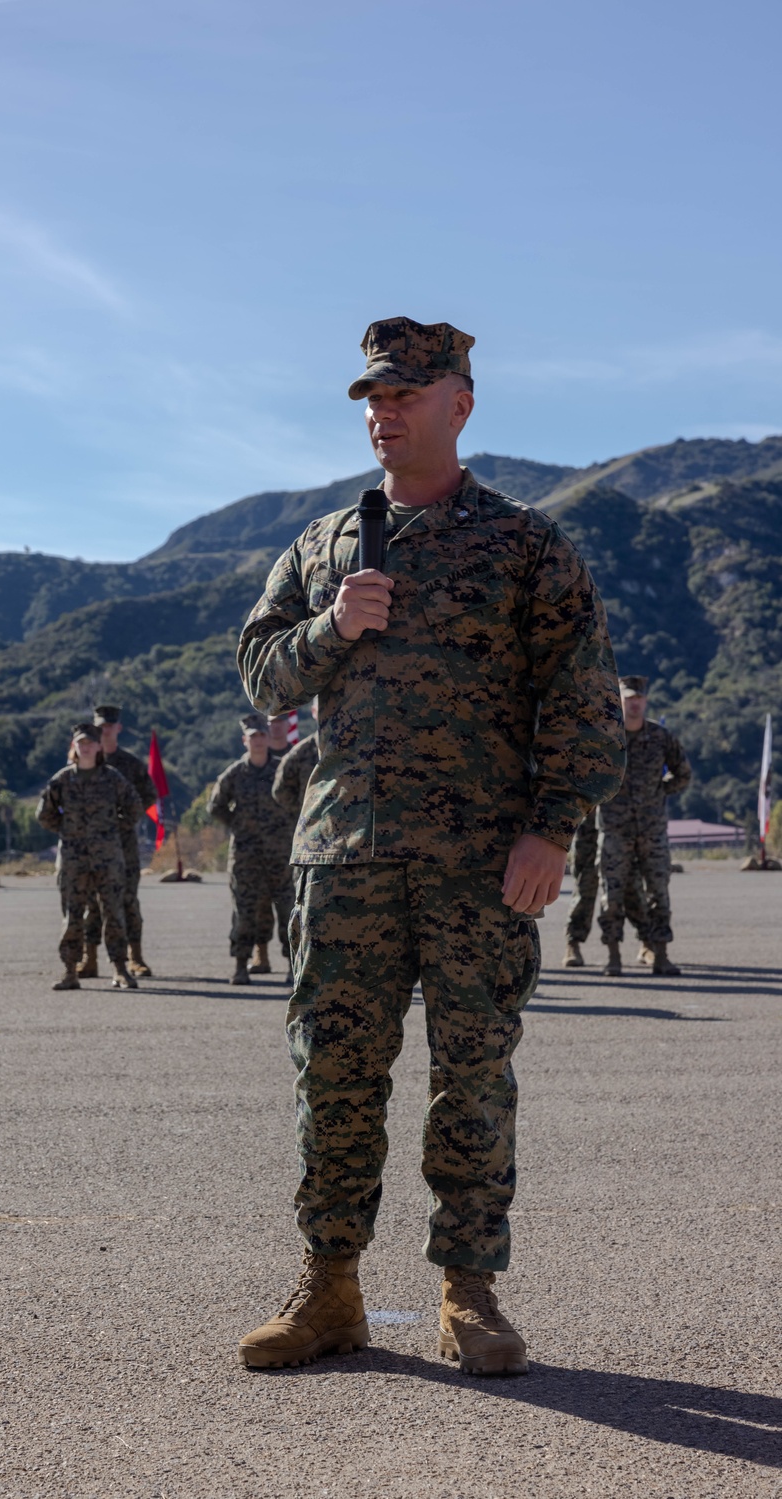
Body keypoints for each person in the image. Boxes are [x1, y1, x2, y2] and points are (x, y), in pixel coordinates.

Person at [236, 315, 625, 1375]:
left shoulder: (524, 541)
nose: (383, 410)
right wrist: (331, 627)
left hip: (477, 862)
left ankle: (469, 1292)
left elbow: (582, 699)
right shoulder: (320, 546)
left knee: (473, 1075)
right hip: (342, 854)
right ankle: (329, 1288)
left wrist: (551, 828)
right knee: (335, 1076)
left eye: (405, 392)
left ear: (460, 402)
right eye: (371, 396)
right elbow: (259, 674)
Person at [36, 722, 143, 992]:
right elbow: (44, 814)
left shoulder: (112, 778)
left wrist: (110, 830)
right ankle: (70, 970)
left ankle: (120, 969)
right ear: (74, 747)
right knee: (73, 915)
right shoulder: (62, 780)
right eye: (80, 743)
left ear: (98, 746)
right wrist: (66, 830)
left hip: (107, 858)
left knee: (113, 913)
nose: (85, 747)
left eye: (89, 743)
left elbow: (133, 809)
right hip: (73, 859)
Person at [597, 676, 691, 977]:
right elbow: (586, 776)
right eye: (628, 698)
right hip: (615, 829)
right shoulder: (607, 736)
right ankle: (613, 957)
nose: (634, 703)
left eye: (638, 698)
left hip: (652, 831)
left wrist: (660, 791)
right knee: (612, 894)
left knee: (659, 892)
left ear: (645, 701)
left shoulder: (661, 737)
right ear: (619, 700)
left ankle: (660, 955)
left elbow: (683, 774)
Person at [207, 712, 297, 985]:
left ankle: (295, 968)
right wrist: (238, 825)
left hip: (280, 855)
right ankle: (241, 965)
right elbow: (215, 807)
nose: (258, 741)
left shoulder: (283, 770)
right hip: (246, 857)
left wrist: (288, 827)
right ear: (244, 741)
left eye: (262, 735)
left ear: (269, 738)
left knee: (288, 912)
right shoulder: (235, 774)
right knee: (244, 912)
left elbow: (299, 800)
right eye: (252, 737)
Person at [78, 706, 157, 980]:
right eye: (101, 726)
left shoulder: (130, 764)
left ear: (118, 728)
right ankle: (90, 958)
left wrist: (121, 821)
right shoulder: (86, 762)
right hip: (91, 846)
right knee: (91, 902)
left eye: (110, 725)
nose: (106, 730)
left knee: (127, 901)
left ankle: (135, 957)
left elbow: (148, 795)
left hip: (124, 844)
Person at [563, 807, 650, 968]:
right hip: (587, 827)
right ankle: (573, 944)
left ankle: (647, 943)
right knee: (584, 887)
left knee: (632, 886)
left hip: (619, 824)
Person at [271, 701, 319, 826]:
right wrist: (302, 810)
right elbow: (280, 791)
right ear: (314, 712)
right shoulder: (300, 753)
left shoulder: (352, 747)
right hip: (311, 829)